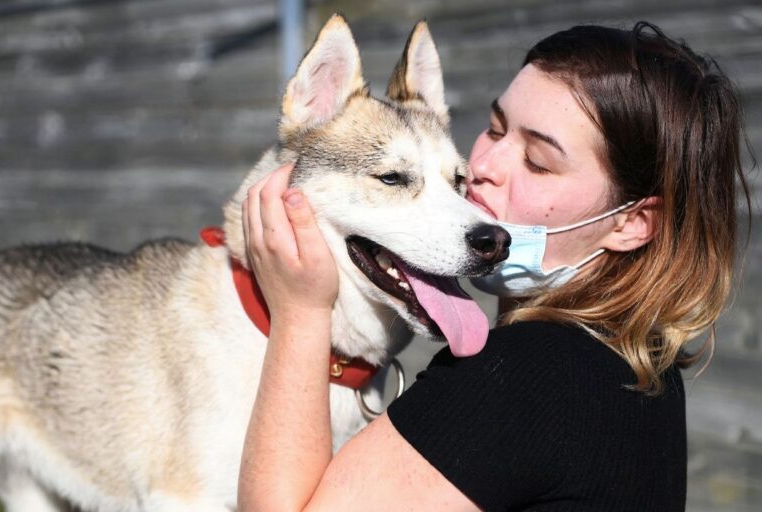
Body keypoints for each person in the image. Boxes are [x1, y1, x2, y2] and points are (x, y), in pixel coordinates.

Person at [237, 22, 751, 511]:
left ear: (633, 223)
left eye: (538, 162)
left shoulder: (533, 375)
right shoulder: (636, 364)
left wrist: (302, 313)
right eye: (495, 127)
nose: (478, 167)